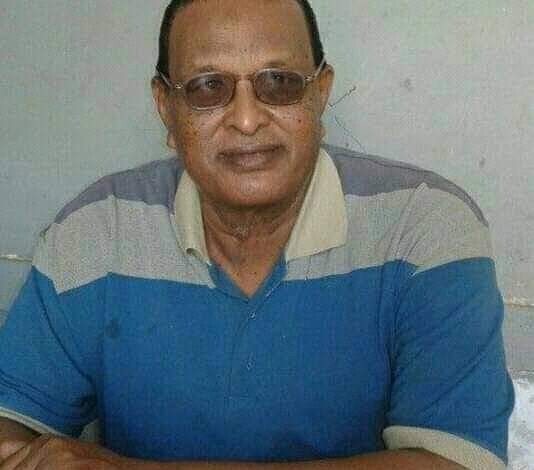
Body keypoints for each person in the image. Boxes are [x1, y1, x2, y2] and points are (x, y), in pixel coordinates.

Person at [0, 0, 514, 469]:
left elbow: (455, 462)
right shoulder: (95, 233)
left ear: (321, 92)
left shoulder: (423, 229)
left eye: (279, 83)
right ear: (166, 107)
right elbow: (11, 427)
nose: (246, 120)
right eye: (208, 87)